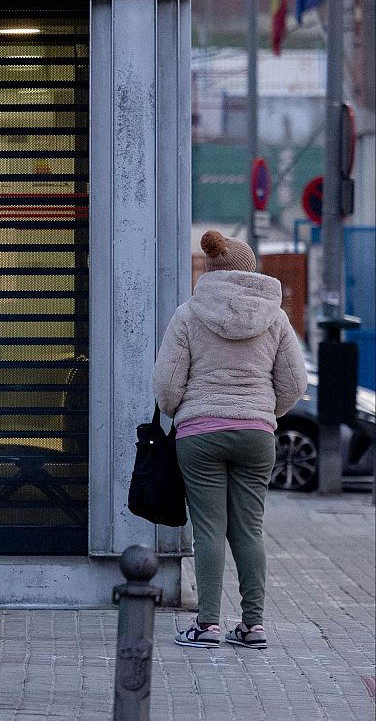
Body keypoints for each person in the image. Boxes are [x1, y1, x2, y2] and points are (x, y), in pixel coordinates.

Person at [154, 230, 306, 650]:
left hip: (200, 434)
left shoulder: (188, 314)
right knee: (249, 529)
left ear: (211, 269)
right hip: (257, 434)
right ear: (249, 268)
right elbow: (295, 382)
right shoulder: (275, 318)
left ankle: (208, 625)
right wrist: (262, 414)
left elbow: (166, 385)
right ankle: (253, 625)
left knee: (209, 529)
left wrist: (183, 412)